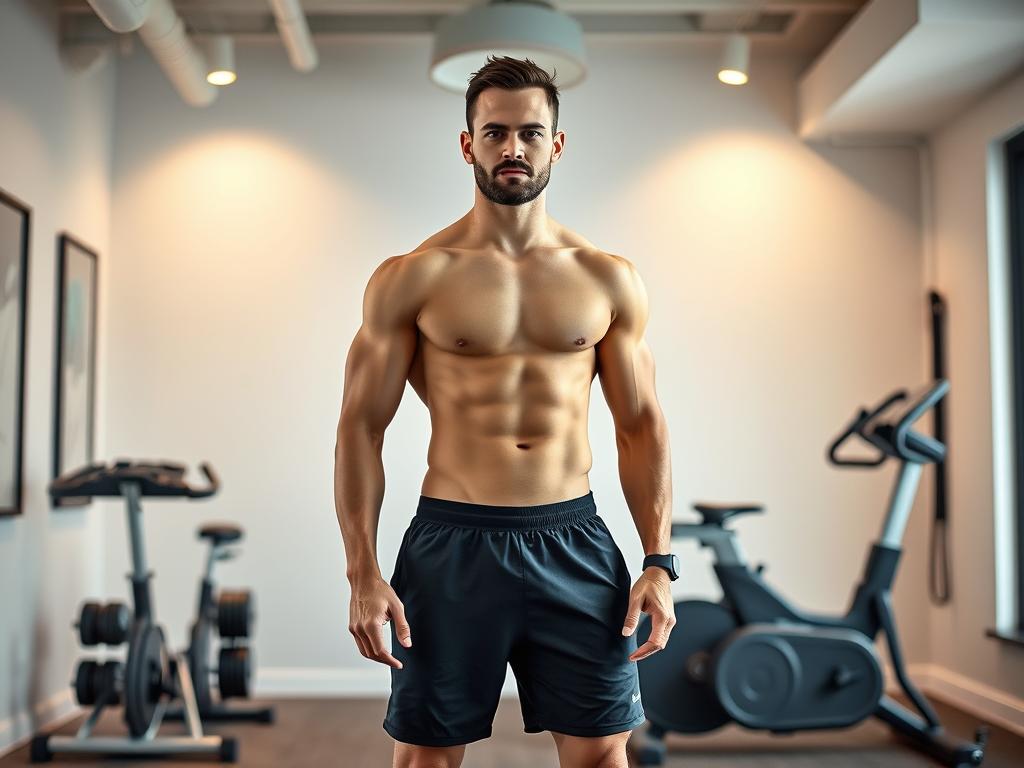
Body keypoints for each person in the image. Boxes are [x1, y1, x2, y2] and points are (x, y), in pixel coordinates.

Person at [334, 55, 676, 768]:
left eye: (529, 132)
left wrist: (659, 561)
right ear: (469, 145)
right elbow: (361, 428)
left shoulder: (606, 278)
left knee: (602, 756)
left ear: (556, 143)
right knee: (428, 757)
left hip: (574, 541)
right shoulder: (414, 277)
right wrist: (363, 572)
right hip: (451, 544)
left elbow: (640, 425)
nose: (512, 149)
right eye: (494, 133)